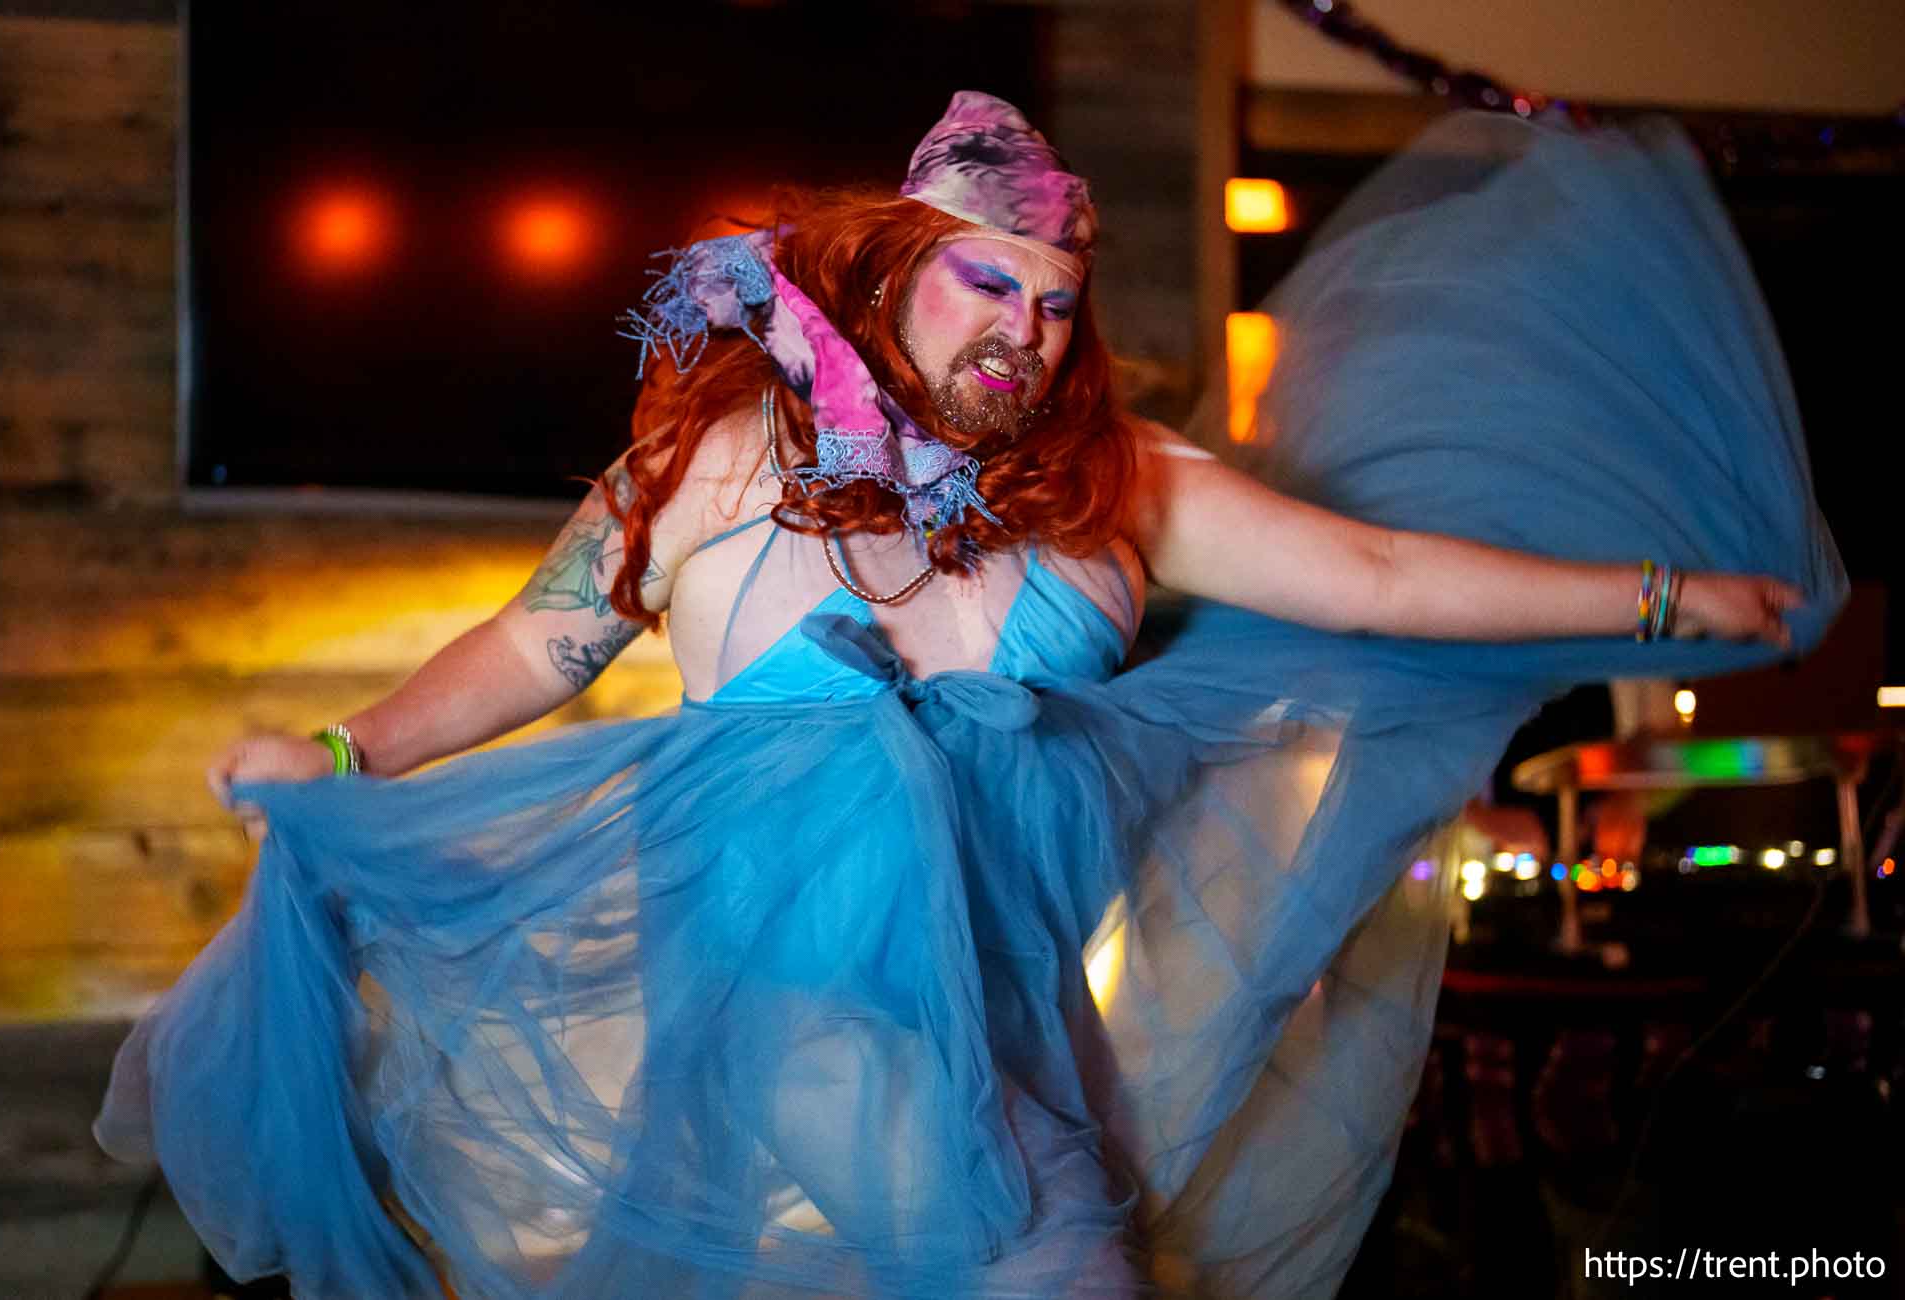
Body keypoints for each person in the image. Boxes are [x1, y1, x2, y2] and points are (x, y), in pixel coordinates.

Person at [96, 93, 1843, 1298]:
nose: (1026, 325)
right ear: (890, 266)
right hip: (805, 1012)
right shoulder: (722, 456)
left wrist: (1667, 598)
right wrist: (342, 747)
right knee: (1052, 1271)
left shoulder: (1118, 482)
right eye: (987, 281)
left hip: (1029, 1019)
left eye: (1059, 301)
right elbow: (539, 641)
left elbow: (1381, 580)